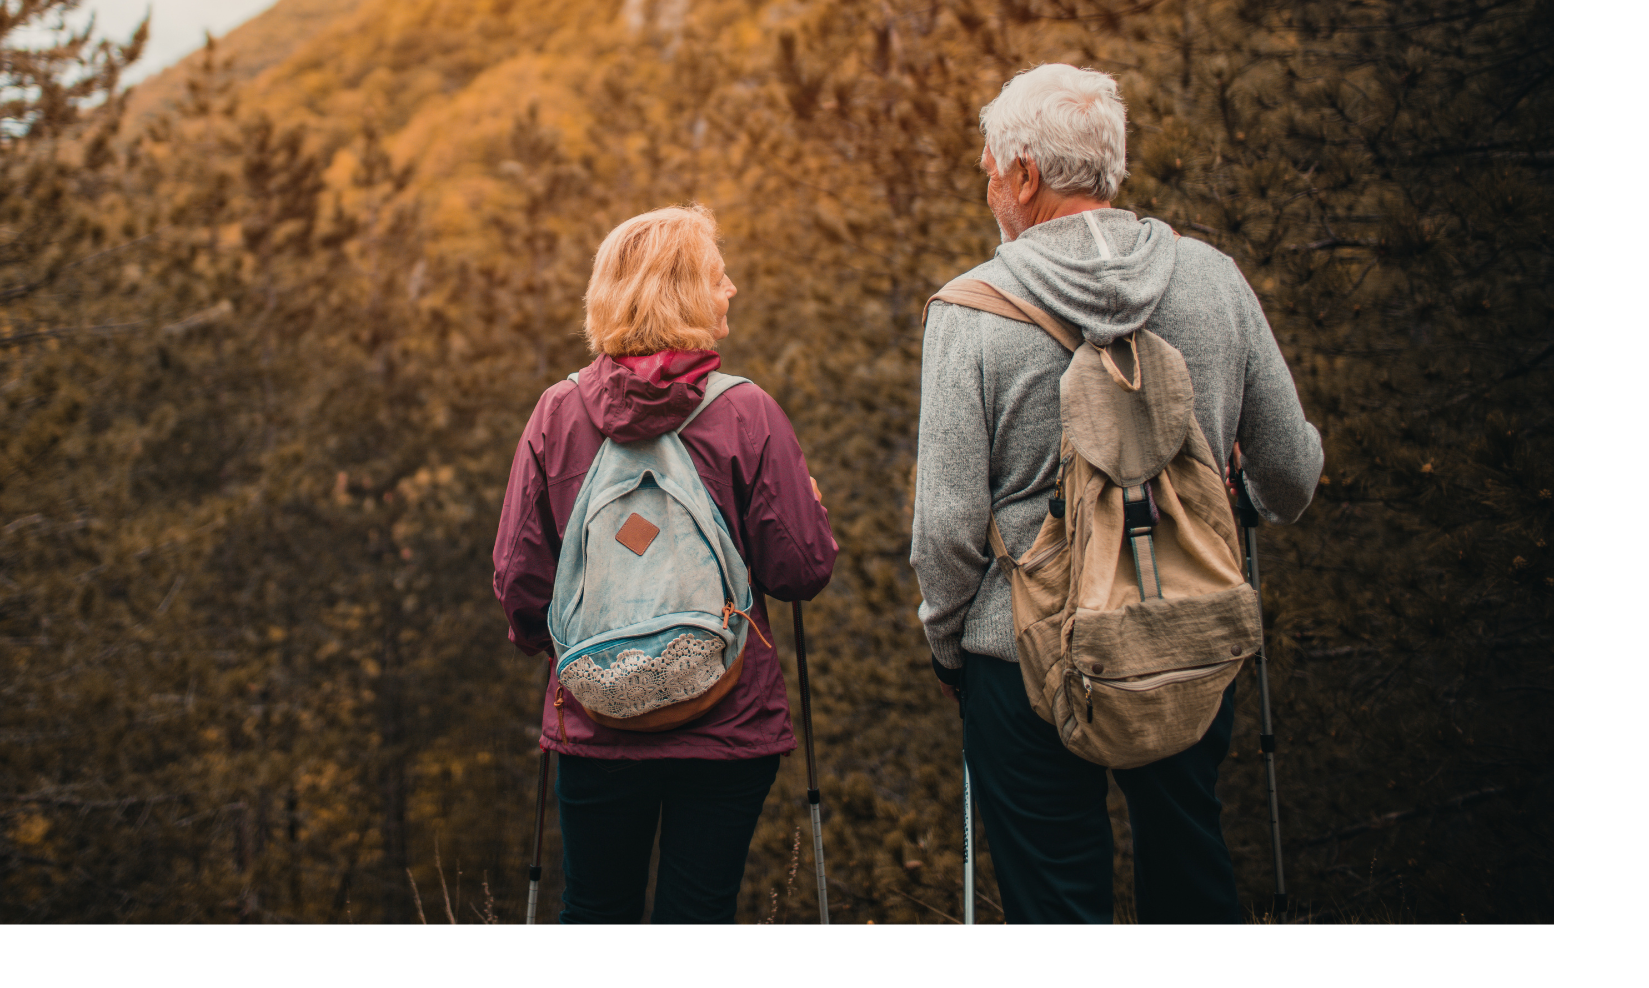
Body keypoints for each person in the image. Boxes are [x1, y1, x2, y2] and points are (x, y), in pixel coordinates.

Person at [912, 64, 1324, 923]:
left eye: (989, 167)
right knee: (1190, 866)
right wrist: (1237, 497)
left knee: (1057, 907)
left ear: (1024, 175)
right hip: (1189, 632)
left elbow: (947, 528)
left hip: (1022, 656)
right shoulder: (1212, 277)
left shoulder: (971, 311)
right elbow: (1291, 472)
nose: (988, 184)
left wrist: (949, 642)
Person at [492, 203, 837, 924]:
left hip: (596, 711)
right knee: (699, 913)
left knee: (594, 907)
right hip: (728, 714)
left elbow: (519, 578)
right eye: (718, 275)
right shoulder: (748, 413)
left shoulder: (557, 414)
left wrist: (551, 650)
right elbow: (800, 570)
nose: (731, 287)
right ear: (682, 293)